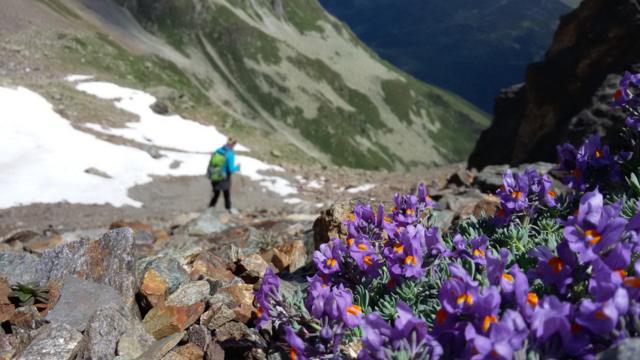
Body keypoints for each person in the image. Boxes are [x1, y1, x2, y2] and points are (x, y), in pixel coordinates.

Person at [208, 138, 240, 212]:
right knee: (226, 195)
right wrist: (237, 168)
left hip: (215, 175)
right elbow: (231, 169)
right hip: (224, 178)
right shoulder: (230, 154)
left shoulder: (218, 150)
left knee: (215, 194)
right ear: (233, 144)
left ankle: (210, 209)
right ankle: (228, 210)